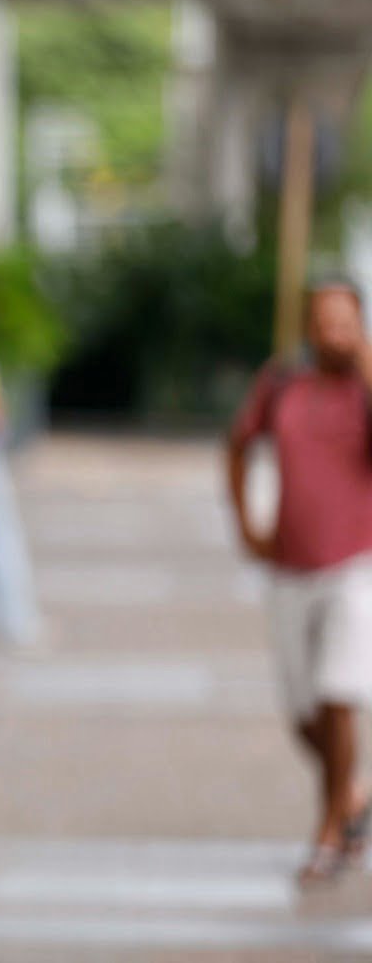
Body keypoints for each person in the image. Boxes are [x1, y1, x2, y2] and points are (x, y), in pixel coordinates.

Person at [227, 276, 372, 883]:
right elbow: (238, 446)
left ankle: (328, 830)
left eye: (344, 321)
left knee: (338, 693)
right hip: (289, 565)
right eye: (322, 320)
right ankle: (353, 794)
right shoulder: (282, 383)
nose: (331, 332)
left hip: (354, 564)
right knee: (302, 713)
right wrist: (246, 522)